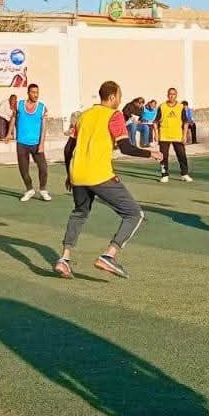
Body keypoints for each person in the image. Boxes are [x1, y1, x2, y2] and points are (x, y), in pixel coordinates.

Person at [57, 80, 155, 280]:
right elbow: (126, 147)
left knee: (79, 213)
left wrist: (70, 174)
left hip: (77, 174)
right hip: (99, 175)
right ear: (111, 97)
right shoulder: (114, 115)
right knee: (134, 214)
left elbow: (68, 149)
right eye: (119, 96)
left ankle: (64, 259)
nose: (120, 100)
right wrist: (150, 153)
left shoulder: (83, 115)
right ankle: (109, 255)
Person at [12, 82, 53, 201]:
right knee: (23, 169)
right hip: (21, 143)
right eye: (33, 92)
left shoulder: (42, 107)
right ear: (28, 93)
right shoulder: (19, 105)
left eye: (37, 92)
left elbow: (44, 127)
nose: (36, 95)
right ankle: (29, 189)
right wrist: (9, 133)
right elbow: (13, 118)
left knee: (43, 168)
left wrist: (41, 144)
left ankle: (43, 190)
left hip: (36, 143)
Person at [156, 87, 193, 183]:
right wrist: (156, 134)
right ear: (167, 95)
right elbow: (156, 122)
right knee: (163, 156)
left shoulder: (180, 107)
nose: (171, 96)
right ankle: (164, 175)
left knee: (182, 155)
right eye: (170, 94)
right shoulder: (162, 106)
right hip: (164, 135)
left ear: (176, 95)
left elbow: (185, 122)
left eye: (173, 94)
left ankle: (184, 174)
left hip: (177, 135)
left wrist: (184, 136)